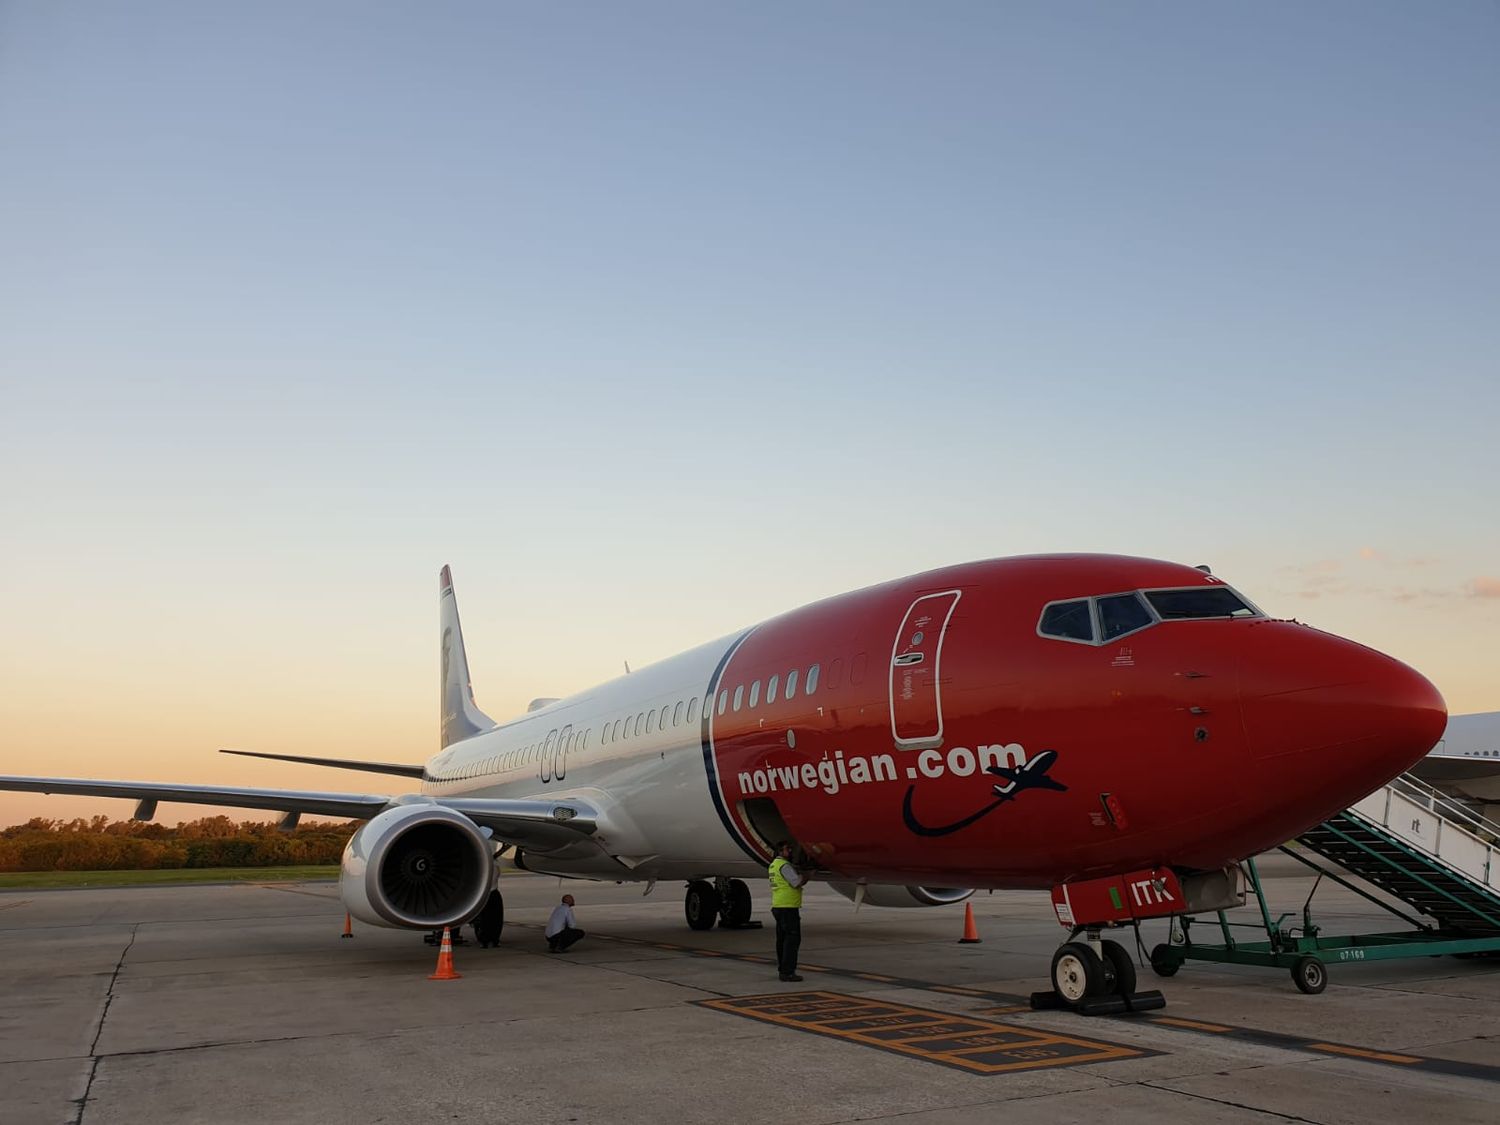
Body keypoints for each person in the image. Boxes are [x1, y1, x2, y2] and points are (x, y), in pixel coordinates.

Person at [768, 840, 809, 982]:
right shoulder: (784, 866)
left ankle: (783, 969)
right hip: (788, 907)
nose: (790, 851)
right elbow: (796, 882)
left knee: (782, 940)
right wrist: (807, 876)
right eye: (787, 849)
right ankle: (788, 972)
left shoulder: (773, 865)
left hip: (778, 906)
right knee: (792, 940)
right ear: (780, 851)